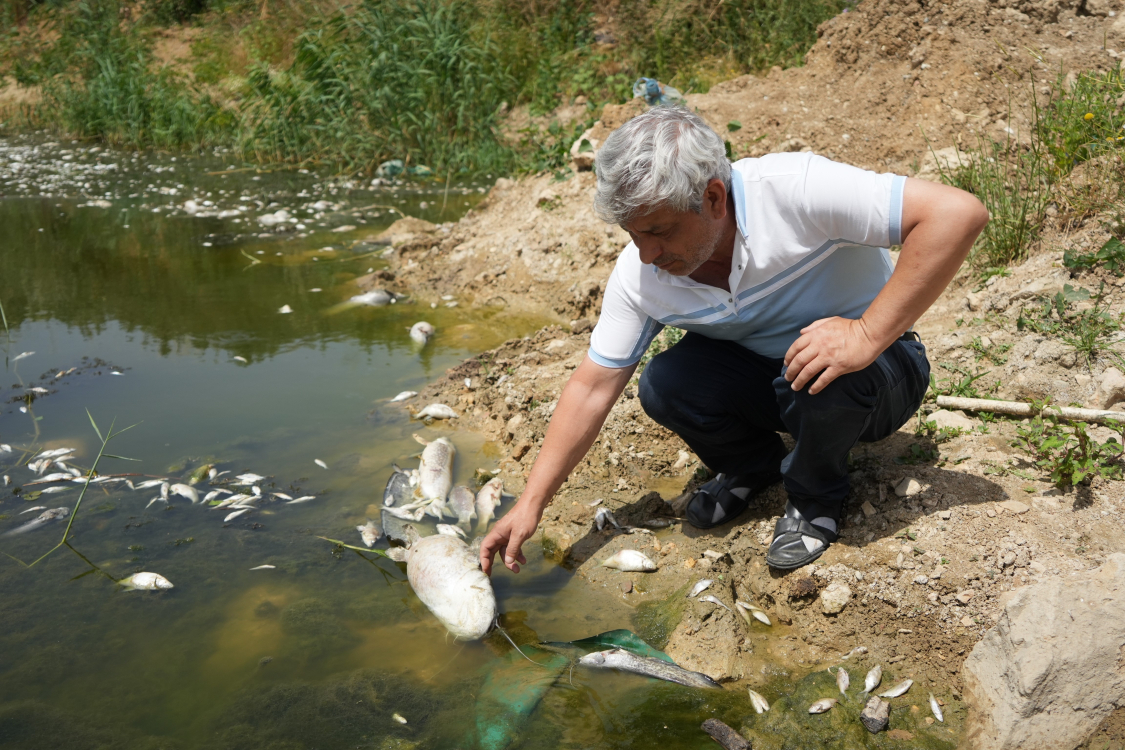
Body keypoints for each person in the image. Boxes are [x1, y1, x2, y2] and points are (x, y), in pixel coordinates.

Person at [479, 106, 987, 575]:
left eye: (660, 230)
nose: (648, 253)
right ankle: (752, 465)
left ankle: (815, 501)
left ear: (714, 198)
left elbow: (955, 213)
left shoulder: (795, 190)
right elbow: (591, 387)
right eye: (634, 235)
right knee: (665, 382)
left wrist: (866, 333)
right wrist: (531, 504)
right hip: (776, 378)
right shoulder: (641, 276)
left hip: (879, 371)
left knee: (822, 375)